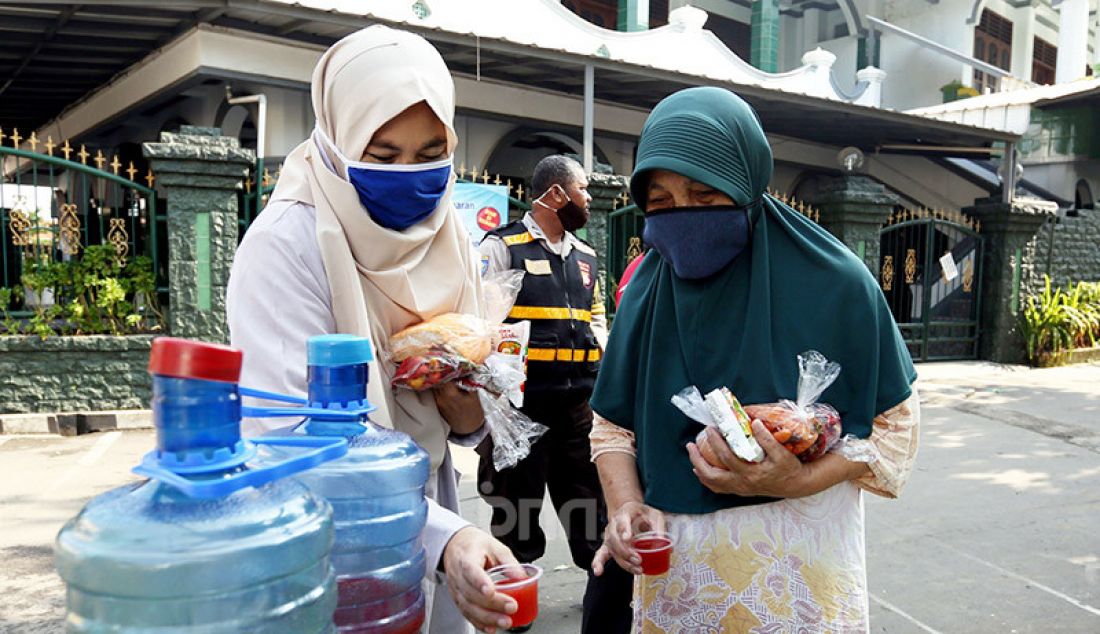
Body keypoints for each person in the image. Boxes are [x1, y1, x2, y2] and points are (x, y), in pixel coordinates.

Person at [587, 86, 921, 632]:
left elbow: (894, 434)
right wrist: (624, 506)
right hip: (680, 571)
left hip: (797, 571)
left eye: (704, 195)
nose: (683, 216)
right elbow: (611, 428)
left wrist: (793, 480)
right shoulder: (647, 289)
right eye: (661, 203)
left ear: (745, 184)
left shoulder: (837, 283)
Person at [226, 26, 521, 634]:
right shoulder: (288, 245)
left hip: (430, 510)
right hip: (327, 539)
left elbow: (460, 429)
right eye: (383, 157)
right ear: (336, 140)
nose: (410, 176)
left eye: (430, 153)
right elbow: (291, 440)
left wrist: (461, 397)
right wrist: (446, 538)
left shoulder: (451, 236)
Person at [477, 155, 633, 632]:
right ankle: (512, 607)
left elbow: (598, 319)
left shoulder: (585, 255)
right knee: (517, 507)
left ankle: (606, 595)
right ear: (557, 194)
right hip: (523, 405)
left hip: (578, 406)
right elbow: (482, 322)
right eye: (583, 190)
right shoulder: (501, 246)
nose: (589, 200)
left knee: (588, 504)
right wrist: (496, 396)